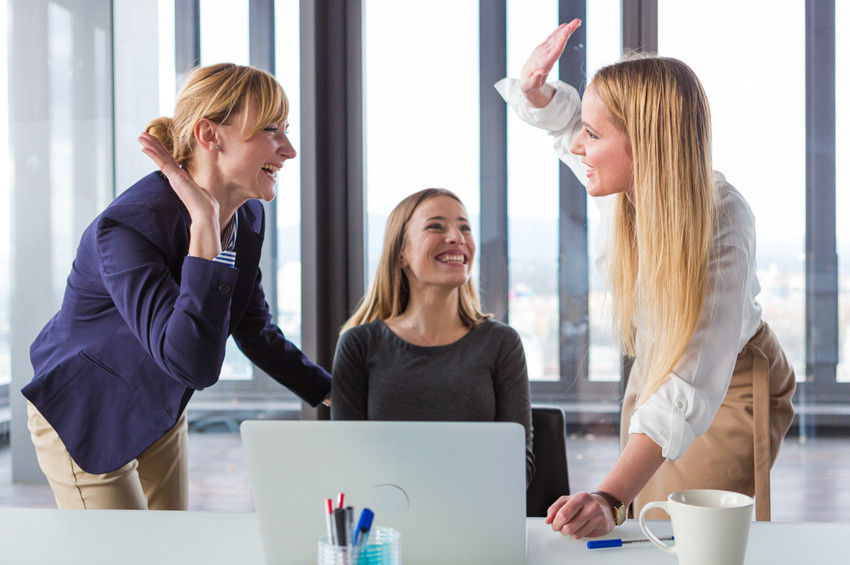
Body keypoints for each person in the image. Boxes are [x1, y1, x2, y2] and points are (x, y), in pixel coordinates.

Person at [495, 19, 795, 537]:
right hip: (660, 367)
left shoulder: (722, 219)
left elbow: (693, 375)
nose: (578, 147)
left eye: (592, 136)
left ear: (648, 147)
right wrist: (537, 94)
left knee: (690, 530)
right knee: (645, 525)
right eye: (583, 132)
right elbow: (572, 126)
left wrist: (608, 496)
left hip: (727, 380)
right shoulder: (626, 182)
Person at [22, 63, 332, 510]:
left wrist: (332, 392)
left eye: (286, 129)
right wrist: (203, 229)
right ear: (210, 135)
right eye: (270, 130)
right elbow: (193, 363)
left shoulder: (247, 218)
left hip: (160, 403)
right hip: (88, 410)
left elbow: (253, 328)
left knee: (174, 546)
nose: (289, 150)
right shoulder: (127, 228)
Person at [331, 189, 535, 485]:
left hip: (477, 519)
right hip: (387, 521)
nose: (457, 237)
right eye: (436, 226)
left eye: (465, 227)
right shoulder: (358, 345)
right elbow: (347, 461)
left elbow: (519, 468)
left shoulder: (502, 343)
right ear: (401, 253)